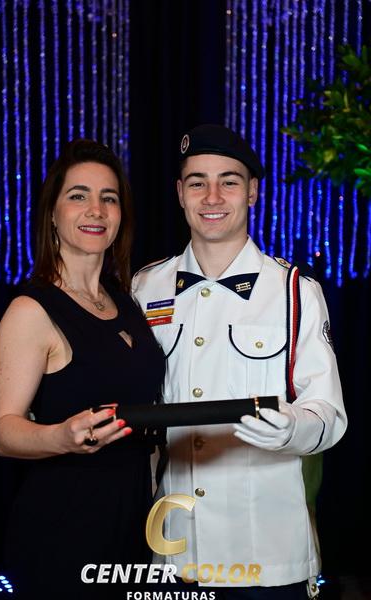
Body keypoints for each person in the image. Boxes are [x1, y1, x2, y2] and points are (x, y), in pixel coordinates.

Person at [132, 124, 347, 599]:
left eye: (228, 181)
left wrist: (291, 427)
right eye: (197, 182)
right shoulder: (144, 288)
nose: (212, 197)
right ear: (180, 193)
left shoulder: (295, 291)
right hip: (175, 550)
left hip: (268, 555)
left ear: (252, 192)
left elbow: (329, 414)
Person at [0, 139, 165, 599]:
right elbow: (2, 431)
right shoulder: (32, 310)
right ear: (53, 212)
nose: (96, 210)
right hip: (64, 529)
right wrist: (60, 437)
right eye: (78, 195)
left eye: (109, 198)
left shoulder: (126, 301)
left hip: (134, 527)